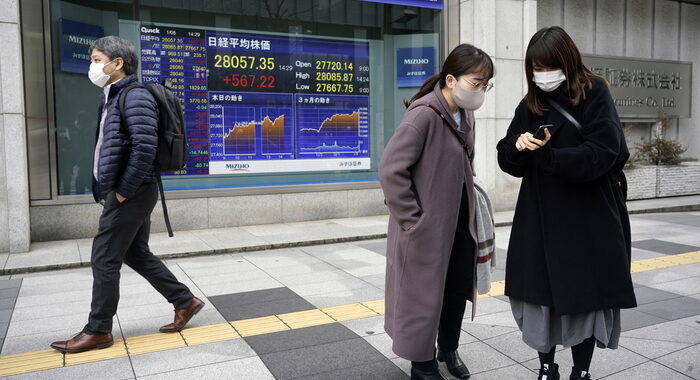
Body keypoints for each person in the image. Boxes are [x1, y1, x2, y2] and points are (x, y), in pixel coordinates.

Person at [496, 26, 637, 380]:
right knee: (539, 298)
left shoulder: (594, 91)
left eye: (548, 67)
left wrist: (551, 158)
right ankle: (546, 367)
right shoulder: (531, 102)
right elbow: (506, 153)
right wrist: (517, 146)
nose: (542, 76)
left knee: (584, 297)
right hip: (540, 217)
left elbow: (604, 152)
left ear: (566, 61)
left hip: (586, 216)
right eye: (535, 69)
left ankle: (582, 371)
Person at [50, 36, 204, 353]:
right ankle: (184, 301)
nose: (92, 66)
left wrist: (123, 191)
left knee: (104, 257)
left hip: (132, 191)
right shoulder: (112, 96)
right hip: (130, 190)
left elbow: (144, 148)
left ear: (117, 63)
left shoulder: (134, 97)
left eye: (96, 59)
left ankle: (98, 330)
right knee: (135, 253)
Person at [379, 43, 494, 380]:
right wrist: (414, 221)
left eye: (485, 84)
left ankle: (449, 347)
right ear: (450, 79)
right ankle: (422, 362)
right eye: (476, 83)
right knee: (422, 294)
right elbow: (390, 171)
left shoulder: (464, 113)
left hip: (460, 222)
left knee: (457, 287)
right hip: (426, 227)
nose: (480, 91)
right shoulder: (424, 114)